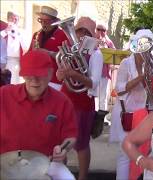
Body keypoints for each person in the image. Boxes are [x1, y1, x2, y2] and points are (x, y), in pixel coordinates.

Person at [0, 50, 78, 179]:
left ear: (50, 74)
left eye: (40, 75)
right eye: (29, 75)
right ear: (23, 75)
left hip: (47, 164)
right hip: (5, 164)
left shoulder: (62, 101)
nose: (34, 80)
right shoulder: (4, 95)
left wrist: (64, 149)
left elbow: (71, 136)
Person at [109, 28, 153, 180]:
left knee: (141, 154)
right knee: (125, 155)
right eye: (142, 46)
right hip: (127, 115)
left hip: (143, 116)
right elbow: (119, 90)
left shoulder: (151, 65)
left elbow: (152, 98)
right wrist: (141, 78)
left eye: (148, 46)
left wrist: (151, 83)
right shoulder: (126, 63)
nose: (145, 50)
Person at [56, 16, 103, 180]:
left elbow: (94, 84)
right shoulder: (68, 50)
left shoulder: (96, 55)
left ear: (91, 35)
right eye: (78, 31)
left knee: (81, 144)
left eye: (85, 32)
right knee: (61, 142)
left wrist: (73, 74)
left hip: (82, 103)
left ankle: (82, 177)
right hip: (64, 99)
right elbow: (59, 74)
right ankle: (61, 174)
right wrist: (61, 74)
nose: (80, 36)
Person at [29, 6, 68, 90]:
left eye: (46, 21)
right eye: (40, 20)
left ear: (55, 21)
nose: (43, 24)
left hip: (54, 80)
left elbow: (66, 58)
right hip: (36, 77)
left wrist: (47, 53)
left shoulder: (63, 35)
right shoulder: (36, 35)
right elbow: (29, 54)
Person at [0, 11, 29, 84]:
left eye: (16, 19)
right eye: (12, 18)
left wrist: (19, 34)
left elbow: (25, 47)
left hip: (14, 60)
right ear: (8, 19)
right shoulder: (3, 30)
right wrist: (6, 31)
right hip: (2, 60)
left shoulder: (21, 32)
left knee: (14, 81)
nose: (14, 21)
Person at [95, 23, 115, 117]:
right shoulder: (92, 40)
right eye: (99, 29)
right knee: (94, 95)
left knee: (103, 96)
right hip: (93, 72)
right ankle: (93, 115)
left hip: (104, 72)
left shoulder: (109, 42)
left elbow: (114, 54)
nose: (101, 32)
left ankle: (102, 117)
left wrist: (105, 47)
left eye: (103, 30)